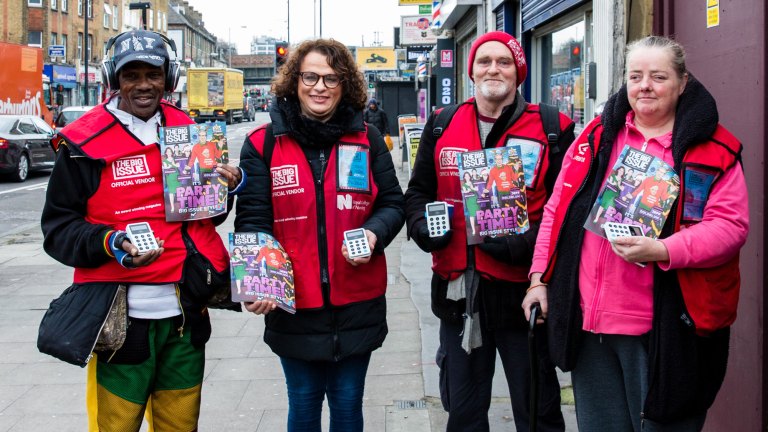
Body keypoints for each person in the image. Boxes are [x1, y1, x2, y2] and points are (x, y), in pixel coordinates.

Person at [522, 35, 749, 432]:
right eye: (635, 75)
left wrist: (664, 249)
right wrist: (538, 279)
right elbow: (557, 210)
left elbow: (730, 227)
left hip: (665, 330)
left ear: (682, 83)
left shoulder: (713, 149)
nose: (644, 85)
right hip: (591, 327)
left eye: (658, 76)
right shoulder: (595, 138)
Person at [40, 29, 244, 431]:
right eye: (131, 75)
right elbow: (58, 230)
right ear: (113, 79)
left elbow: (206, 218)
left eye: (153, 74)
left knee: (182, 425)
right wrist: (110, 242)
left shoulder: (191, 131)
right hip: (120, 324)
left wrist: (227, 187)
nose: (143, 85)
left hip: (185, 316)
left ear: (169, 78)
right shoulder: (81, 145)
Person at [404, 31, 574, 432]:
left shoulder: (553, 127)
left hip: (524, 293)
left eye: (503, 61)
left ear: (519, 73)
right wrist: (424, 229)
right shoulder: (442, 123)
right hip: (458, 290)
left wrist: (522, 246)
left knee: (538, 412)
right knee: (463, 413)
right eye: (484, 61)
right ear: (471, 72)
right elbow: (417, 193)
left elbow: (566, 213)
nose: (493, 68)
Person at [235, 38, 405, 431]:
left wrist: (374, 235)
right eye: (310, 76)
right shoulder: (263, 144)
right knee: (304, 407)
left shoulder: (366, 138)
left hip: (356, 302)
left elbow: (393, 204)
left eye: (332, 78)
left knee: (348, 410)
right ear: (295, 81)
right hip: (293, 305)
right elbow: (253, 221)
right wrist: (256, 284)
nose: (320, 87)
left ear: (346, 85)